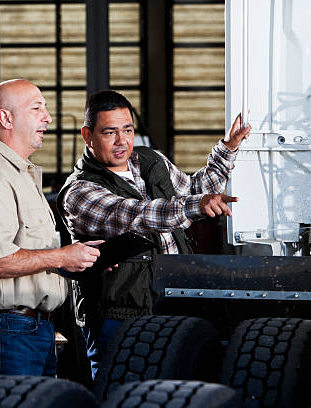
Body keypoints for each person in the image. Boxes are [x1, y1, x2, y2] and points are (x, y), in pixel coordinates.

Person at [59, 90, 251, 379]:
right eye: (109, 132)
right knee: (123, 392)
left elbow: (196, 189)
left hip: (173, 302)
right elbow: (137, 214)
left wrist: (228, 146)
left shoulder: (149, 161)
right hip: (119, 316)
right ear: (87, 135)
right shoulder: (80, 192)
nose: (122, 141)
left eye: (127, 130)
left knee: (175, 390)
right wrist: (195, 206)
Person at [0, 79, 103, 378]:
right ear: (6, 118)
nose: (47, 117)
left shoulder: (20, 173)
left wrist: (78, 260)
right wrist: (61, 257)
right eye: (37, 108)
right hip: (5, 333)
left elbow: (30, 252)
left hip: (29, 330)